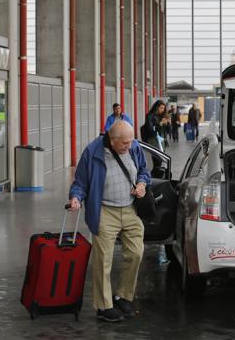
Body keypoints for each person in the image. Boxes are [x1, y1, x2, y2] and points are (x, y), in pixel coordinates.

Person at [68, 121, 150, 322]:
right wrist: (76, 197)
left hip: (130, 209)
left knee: (136, 253)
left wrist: (141, 184)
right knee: (103, 260)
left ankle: (123, 296)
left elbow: (144, 172)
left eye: (130, 142)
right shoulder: (93, 152)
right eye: (124, 143)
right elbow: (80, 182)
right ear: (112, 140)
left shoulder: (135, 147)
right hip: (105, 211)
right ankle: (104, 307)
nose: (129, 147)